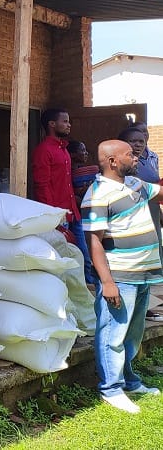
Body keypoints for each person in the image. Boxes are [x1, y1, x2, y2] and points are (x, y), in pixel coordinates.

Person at [82, 139, 163, 414]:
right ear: (113, 161)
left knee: (132, 334)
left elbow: (159, 193)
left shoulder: (134, 184)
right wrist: (107, 282)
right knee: (113, 333)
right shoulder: (97, 195)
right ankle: (111, 389)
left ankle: (129, 380)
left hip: (142, 274)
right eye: (129, 154)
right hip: (120, 276)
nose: (136, 157)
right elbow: (94, 241)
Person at [31, 108, 98, 286]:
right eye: (65, 121)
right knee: (64, 257)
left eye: (69, 121)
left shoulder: (64, 150)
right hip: (58, 215)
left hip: (73, 212)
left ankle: (87, 290)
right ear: (52, 124)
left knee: (83, 255)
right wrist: (52, 215)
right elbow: (42, 185)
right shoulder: (44, 150)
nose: (69, 125)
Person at [118, 126, 163, 322]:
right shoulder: (121, 164)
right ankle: (137, 307)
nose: (137, 145)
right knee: (136, 259)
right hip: (131, 213)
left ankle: (146, 304)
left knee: (151, 256)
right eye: (132, 141)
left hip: (150, 210)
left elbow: (154, 188)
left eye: (140, 141)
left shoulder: (150, 159)